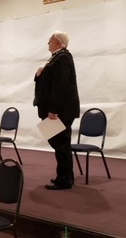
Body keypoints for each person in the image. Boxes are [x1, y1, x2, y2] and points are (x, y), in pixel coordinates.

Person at [34, 31, 80, 190]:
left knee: (61, 144)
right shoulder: (57, 58)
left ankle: (65, 179)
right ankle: (63, 176)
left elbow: (59, 87)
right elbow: (50, 81)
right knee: (58, 142)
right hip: (59, 109)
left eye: (50, 41)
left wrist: (53, 109)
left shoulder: (63, 58)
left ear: (59, 43)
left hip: (61, 110)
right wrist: (39, 74)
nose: (48, 43)